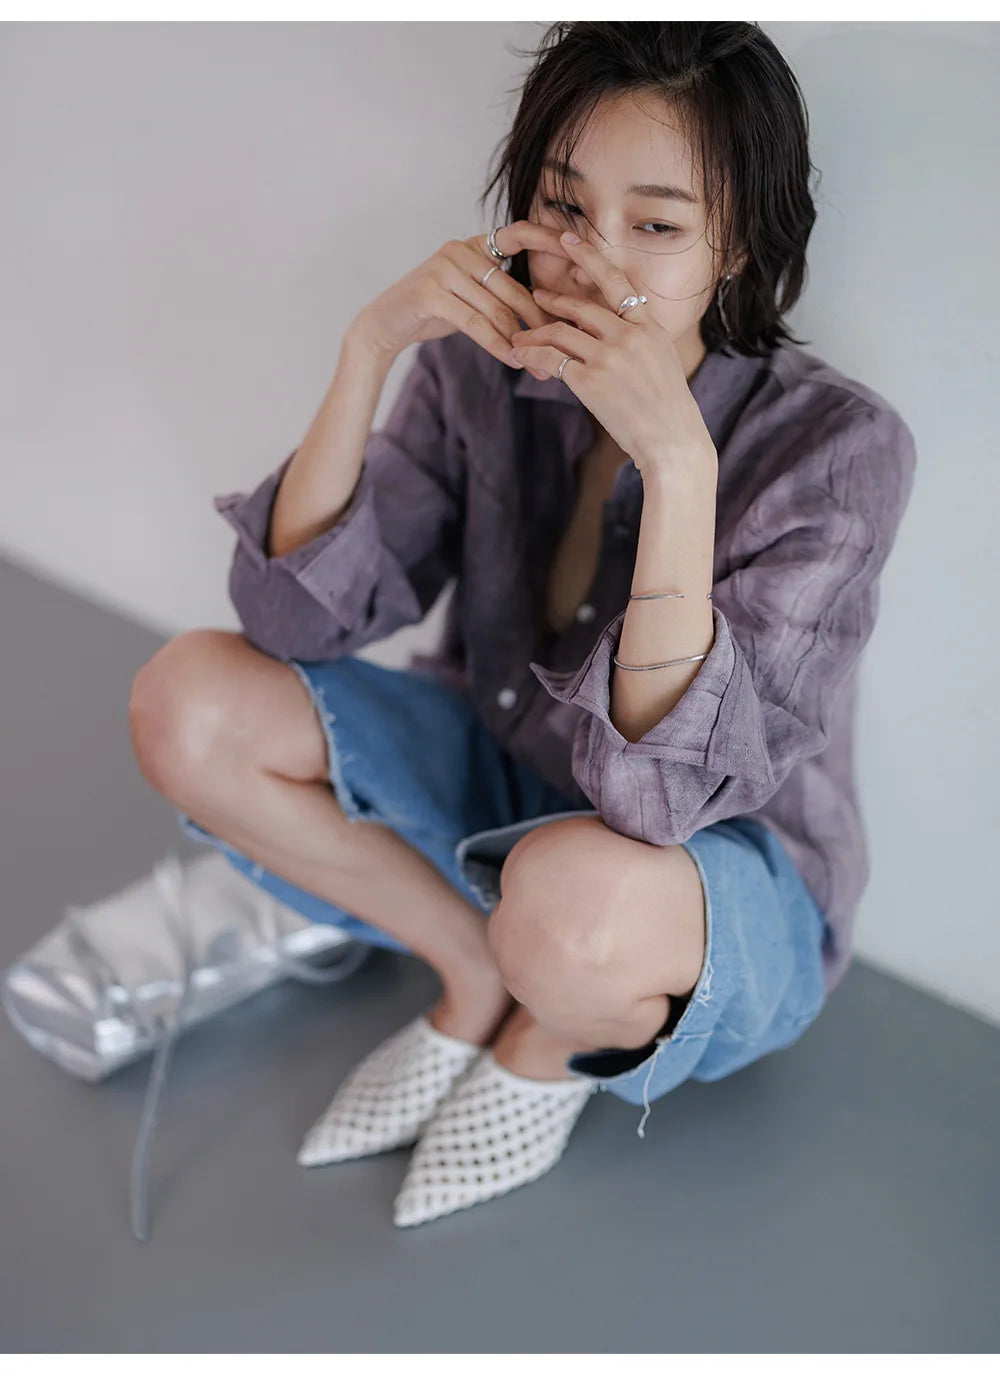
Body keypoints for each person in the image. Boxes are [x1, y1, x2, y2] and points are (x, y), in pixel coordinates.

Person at [129, 20, 917, 1229]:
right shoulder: (480, 368)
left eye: (656, 226)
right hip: (501, 779)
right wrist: (368, 349)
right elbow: (286, 619)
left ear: (737, 245)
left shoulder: (839, 448)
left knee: (571, 893)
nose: (592, 262)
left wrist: (677, 464)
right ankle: (471, 968)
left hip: (693, 879)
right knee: (190, 695)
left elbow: (656, 802)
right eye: (563, 206)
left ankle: (543, 1042)